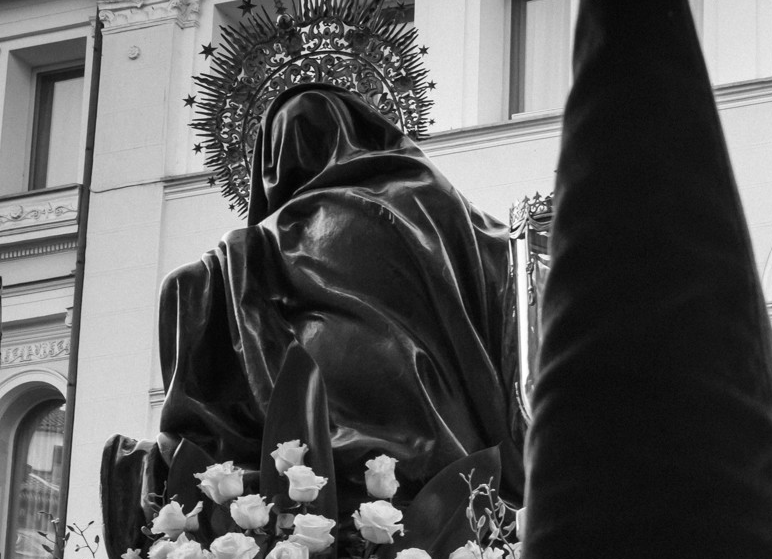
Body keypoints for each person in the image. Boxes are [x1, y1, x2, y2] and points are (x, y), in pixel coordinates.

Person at [147, 82, 525, 519]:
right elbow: (505, 256)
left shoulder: (257, 244)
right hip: (440, 421)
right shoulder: (427, 195)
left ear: (273, 165)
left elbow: (190, 288)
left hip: (328, 414)